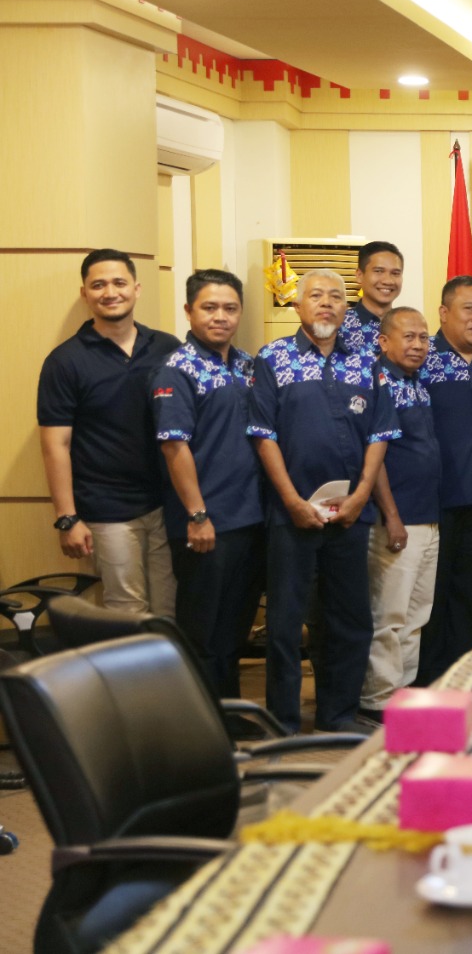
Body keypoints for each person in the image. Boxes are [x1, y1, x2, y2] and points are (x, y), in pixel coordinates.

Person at [249, 269, 398, 733]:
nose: (327, 304)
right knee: (286, 623)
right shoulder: (272, 359)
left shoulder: (367, 363)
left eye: (336, 297)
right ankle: (284, 722)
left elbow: (380, 435)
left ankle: (337, 715)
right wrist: (292, 500)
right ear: (298, 305)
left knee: (350, 619)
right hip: (291, 515)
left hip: (351, 517)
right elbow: (263, 435)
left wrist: (358, 498)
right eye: (316, 296)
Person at [38, 249, 181, 614]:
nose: (110, 292)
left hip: (167, 502)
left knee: (169, 608)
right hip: (106, 509)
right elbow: (56, 445)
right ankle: (131, 675)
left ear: (136, 288)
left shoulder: (168, 348)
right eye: (98, 285)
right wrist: (67, 517)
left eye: (119, 282)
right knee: (125, 610)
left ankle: (165, 674)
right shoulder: (65, 361)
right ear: (85, 294)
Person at [152, 269, 263, 697]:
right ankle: (202, 725)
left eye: (230, 308)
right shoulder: (176, 370)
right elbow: (174, 448)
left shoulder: (248, 365)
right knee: (202, 629)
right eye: (210, 307)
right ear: (189, 311)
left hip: (250, 517)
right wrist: (198, 516)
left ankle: (230, 715)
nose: (221, 317)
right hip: (206, 523)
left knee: (236, 627)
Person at [416, 275, 472, 682]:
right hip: (432, 503)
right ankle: (430, 681)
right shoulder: (421, 361)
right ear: (444, 313)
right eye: (468, 309)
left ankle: (470, 678)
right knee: (430, 598)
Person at [362, 307, 441, 719]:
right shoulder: (377, 384)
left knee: (416, 616)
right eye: (408, 337)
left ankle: (404, 693)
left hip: (428, 515)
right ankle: (378, 700)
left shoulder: (418, 383)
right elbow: (376, 460)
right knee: (388, 616)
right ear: (384, 341)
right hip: (397, 519)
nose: (417, 345)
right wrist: (391, 516)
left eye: (424, 338)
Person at [341, 240, 404, 363]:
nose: (388, 281)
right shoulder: (338, 326)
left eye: (395, 273)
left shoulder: (408, 326)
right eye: (379, 271)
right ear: (359, 275)